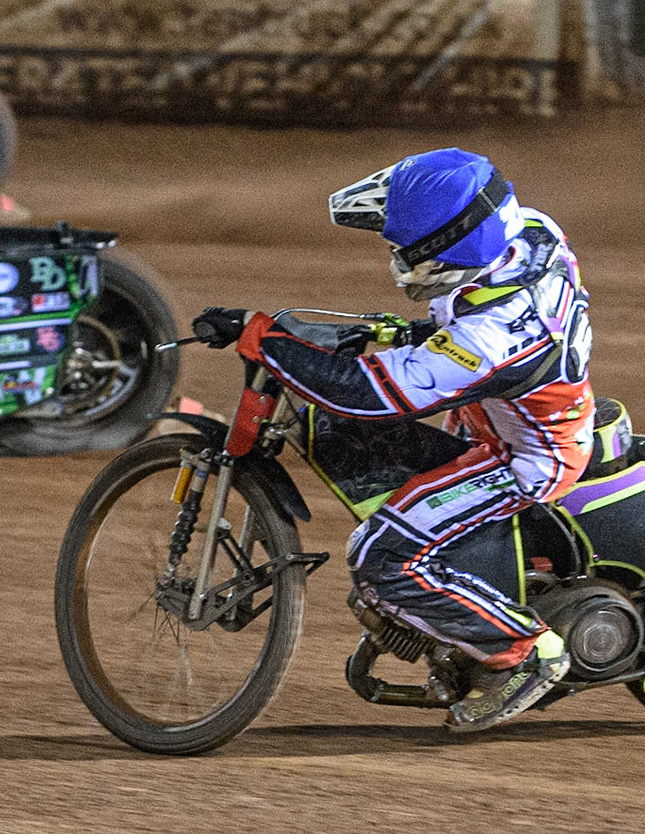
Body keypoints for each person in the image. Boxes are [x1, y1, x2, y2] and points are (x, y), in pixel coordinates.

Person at [197, 148, 594, 731]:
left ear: (460, 243)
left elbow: (368, 394)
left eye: (415, 252)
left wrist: (264, 337)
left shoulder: (493, 337)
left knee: (380, 556)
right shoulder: (529, 231)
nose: (401, 259)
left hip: (525, 458)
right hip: (498, 410)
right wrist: (410, 330)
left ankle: (526, 653)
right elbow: (457, 316)